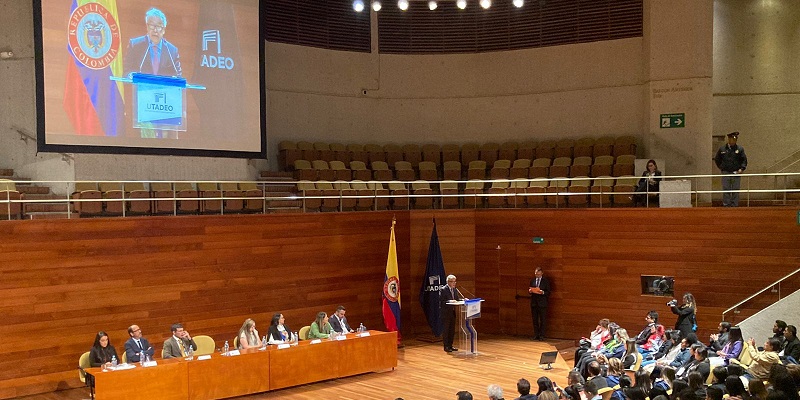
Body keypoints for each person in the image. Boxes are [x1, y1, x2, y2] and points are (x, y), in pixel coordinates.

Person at [123, 8, 181, 77]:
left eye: (159, 26)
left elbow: (178, 76)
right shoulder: (135, 45)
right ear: (147, 27)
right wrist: (130, 75)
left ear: (164, 30)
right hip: (141, 87)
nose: (155, 30)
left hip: (163, 87)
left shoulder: (172, 51)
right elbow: (126, 72)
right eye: (152, 26)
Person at [714, 131, 747, 207]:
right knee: (726, 189)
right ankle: (726, 205)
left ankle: (735, 205)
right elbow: (717, 159)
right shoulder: (722, 149)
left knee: (735, 189)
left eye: (735, 139)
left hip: (736, 172)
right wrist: (721, 167)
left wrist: (741, 169)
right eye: (732, 139)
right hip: (726, 172)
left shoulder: (740, 149)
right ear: (729, 139)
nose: (733, 141)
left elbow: (744, 160)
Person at [440, 274, 462, 352]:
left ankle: (450, 345)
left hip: (452, 312)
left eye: (455, 281)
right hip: (445, 313)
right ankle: (446, 346)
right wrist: (449, 301)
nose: (454, 283)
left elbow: (457, 299)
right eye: (452, 281)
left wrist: (464, 300)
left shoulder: (455, 290)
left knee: (452, 330)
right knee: (446, 330)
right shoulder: (443, 289)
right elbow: (441, 301)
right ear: (448, 282)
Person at [529, 267, 551, 340]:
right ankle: (536, 335)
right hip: (534, 303)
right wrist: (530, 291)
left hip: (542, 303)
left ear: (541, 273)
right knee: (535, 320)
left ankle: (542, 335)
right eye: (536, 274)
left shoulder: (545, 281)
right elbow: (530, 289)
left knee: (542, 320)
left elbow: (548, 292)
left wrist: (542, 292)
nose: (537, 275)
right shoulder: (532, 280)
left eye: (538, 274)